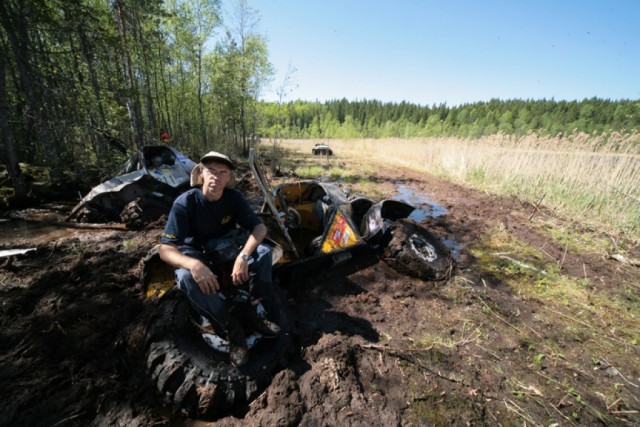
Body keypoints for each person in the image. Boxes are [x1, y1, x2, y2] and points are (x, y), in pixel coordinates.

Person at [159, 151, 279, 367]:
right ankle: (229, 326)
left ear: (229, 178)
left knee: (263, 253)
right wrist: (193, 264)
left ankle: (252, 308)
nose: (216, 176)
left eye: (222, 172)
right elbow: (165, 249)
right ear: (202, 174)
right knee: (186, 277)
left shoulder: (234, 198)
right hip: (196, 251)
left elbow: (260, 228)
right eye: (211, 170)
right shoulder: (185, 203)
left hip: (224, 246)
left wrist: (243, 256)